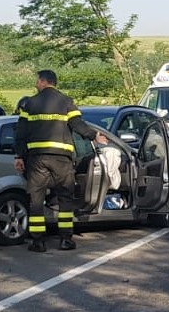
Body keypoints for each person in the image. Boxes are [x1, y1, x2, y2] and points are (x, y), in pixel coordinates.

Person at [15, 69, 105, 253]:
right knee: (65, 198)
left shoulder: (29, 104)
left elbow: (20, 133)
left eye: (36, 81)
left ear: (43, 81)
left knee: (36, 199)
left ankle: (38, 242)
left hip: (37, 159)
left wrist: (19, 156)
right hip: (61, 159)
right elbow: (77, 125)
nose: (35, 84)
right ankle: (65, 239)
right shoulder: (66, 102)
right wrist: (94, 135)